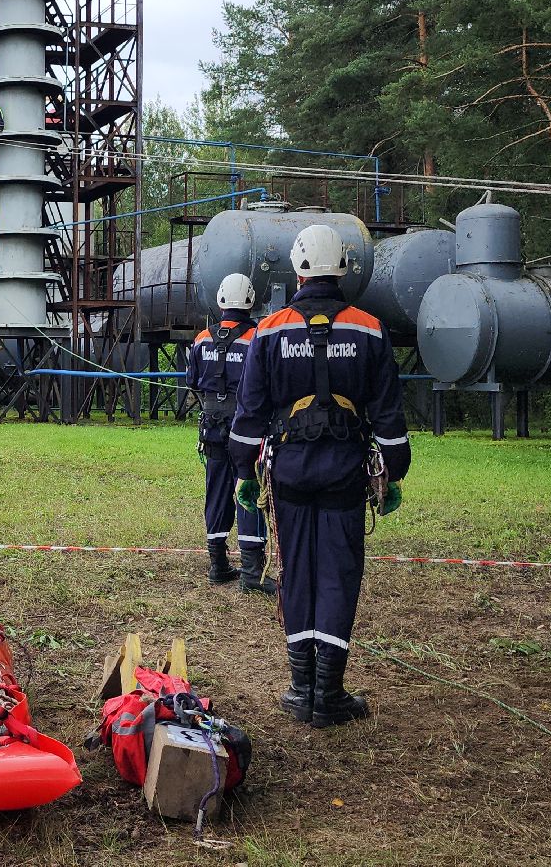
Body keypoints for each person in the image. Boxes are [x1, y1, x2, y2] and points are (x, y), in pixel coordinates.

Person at [228, 224, 409, 729]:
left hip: (287, 473)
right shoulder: (369, 329)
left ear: (298, 268)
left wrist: (244, 472)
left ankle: (300, 687)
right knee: (338, 575)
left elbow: (250, 412)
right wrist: (393, 474)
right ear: (345, 268)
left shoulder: (269, 330)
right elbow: (389, 415)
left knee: (297, 572)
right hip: (344, 477)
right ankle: (327, 693)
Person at [185, 273, 273, 592]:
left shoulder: (201, 340)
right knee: (247, 487)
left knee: (216, 489)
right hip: (246, 427)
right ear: (250, 301)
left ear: (220, 300)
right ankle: (251, 569)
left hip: (211, 425)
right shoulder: (258, 337)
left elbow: (192, 381)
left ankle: (218, 564)